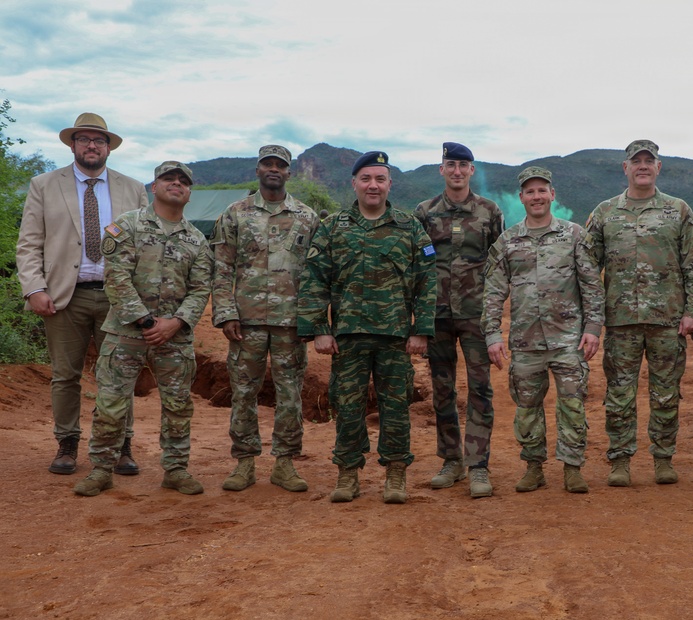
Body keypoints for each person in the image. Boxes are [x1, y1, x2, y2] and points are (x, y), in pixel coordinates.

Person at [297, 151, 436, 504]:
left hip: (395, 337)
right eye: (366, 179)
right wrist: (319, 328)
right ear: (354, 183)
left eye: (380, 179)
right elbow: (315, 278)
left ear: (390, 184)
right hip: (347, 336)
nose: (373, 185)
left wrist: (421, 329)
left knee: (396, 407)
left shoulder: (410, 227)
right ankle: (347, 474)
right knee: (347, 405)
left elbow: (427, 280)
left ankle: (395, 474)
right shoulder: (332, 227)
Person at [16, 113, 147, 476]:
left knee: (119, 375)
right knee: (65, 375)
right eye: (84, 139)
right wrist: (35, 289)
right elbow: (29, 244)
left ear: (109, 148)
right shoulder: (44, 185)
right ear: (72, 145)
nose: (92, 145)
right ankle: (67, 444)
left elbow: (146, 247)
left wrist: (143, 298)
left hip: (119, 298)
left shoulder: (133, 189)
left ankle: (121, 446)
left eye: (99, 140)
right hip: (62, 297)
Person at [73, 161, 213, 497]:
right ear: (154, 187)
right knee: (111, 403)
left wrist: (175, 323)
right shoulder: (128, 225)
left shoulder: (196, 240)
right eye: (168, 178)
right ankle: (101, 470)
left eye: (183, 181)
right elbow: (116, 277)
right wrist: (146, 321)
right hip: (126, 332)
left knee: (178, 405)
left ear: (190, 193)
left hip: (174, 337)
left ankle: (176, 470)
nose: (176, 184)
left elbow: (200, 288)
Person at [586, 139, 693, 487]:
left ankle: (664, 458)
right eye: (635, 161)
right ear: (625, 168)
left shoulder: (679, 210)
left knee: (666, 393)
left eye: (648, 161)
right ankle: (620, 460)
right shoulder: (606, 212)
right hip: (620, 320)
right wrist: (592, 317)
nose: (642, 166)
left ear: (658, 167)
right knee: (619, 394)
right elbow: (588, 268)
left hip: (667, 320)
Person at [481, 166, 604, 494]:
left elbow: (591, 283)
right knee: (527, 408)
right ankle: (533, 466)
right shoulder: (508, 241)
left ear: (552, 195)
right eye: (530, 192)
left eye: (542, 191)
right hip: (525, 341)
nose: (536, 197)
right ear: (521, 197)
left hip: (569, 339)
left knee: (573, 405)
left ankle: (572, 468)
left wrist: (593, 327)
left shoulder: (575, 235)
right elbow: (493, 291)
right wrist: (492, 335)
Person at [211, 145, 320, 493]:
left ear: (289, 172)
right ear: (257, 170)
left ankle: (285, 464)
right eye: (267, 164)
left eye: (280, 165)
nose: (273, 169)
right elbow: (222, 266)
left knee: (290, 394)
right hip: (246, 323)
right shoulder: (235, 213)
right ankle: (244, 464)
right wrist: (226, 312)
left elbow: (317, 273)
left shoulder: (307, 216)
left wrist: (311, 319)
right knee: (244, 392)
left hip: (291, 324)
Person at [414, 142, 503, 498]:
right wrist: (417, 317)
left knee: (481, 390)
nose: (456, 171)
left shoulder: (489, 211)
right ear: (441, 169)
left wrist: (494, 311)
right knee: (442, 391)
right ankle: (451, 461)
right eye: (450, 164)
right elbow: (417, 265)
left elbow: (499, 263)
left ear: (471, 170)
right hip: (436, 315)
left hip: (476, 315)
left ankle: (478, 466)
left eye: (463, 165)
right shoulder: (424, 212)